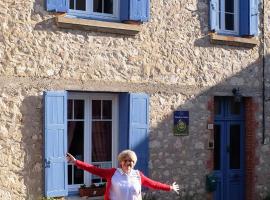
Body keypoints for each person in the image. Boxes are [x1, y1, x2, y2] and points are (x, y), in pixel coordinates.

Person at [66, 150, 179, 200]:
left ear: (134, 163)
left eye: (131, 161)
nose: (128, 163)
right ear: (121, 162)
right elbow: (93, 169)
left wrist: (169, 187)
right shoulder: (113, 173)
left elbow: (153, 184)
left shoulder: (138, 175)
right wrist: (76, 162)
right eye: (126, 160)